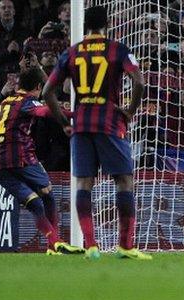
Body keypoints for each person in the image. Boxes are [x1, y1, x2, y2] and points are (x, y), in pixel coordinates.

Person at [42, 6, 149, 260]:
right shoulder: (117, 49)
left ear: (86, 25)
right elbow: (140, 82)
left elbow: (47, 92)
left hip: (81, 123)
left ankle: (91, 244)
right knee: (124, 180)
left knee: (84, 183)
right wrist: (130, 111)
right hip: (109, 121)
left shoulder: (71, 52)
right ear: (108, 24)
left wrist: (63, 121)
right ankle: (125, 245)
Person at [0, 68, 83, 256]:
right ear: (39, 87)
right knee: (47, 193)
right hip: (19, 157)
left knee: (36, 203)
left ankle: (53, 245)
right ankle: (54, 244)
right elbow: (45, 111)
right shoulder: (27, 101)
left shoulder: (5, 101)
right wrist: (74, 115)